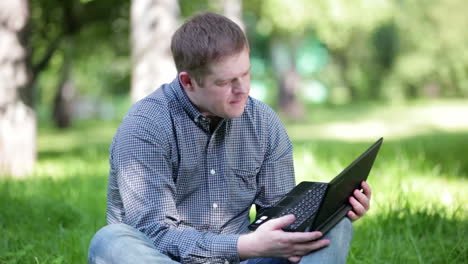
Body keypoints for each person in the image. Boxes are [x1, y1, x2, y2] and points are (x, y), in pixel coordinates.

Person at [88, 12, 372, 264]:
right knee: (111, 241)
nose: (243, 89)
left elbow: (280, 218)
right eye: (225, 82)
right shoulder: (145, 127)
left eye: (246, 74)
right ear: (188, 82)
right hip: (167, 259)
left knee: (335, 225)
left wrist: (331, 210)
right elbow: (155, 234)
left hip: (248, 258)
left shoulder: (263, 123)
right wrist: (243, 245)